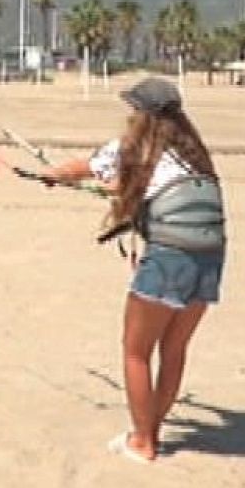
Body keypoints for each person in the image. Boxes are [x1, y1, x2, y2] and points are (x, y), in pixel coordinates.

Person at [39, 76, 226, 464]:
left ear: (141, 114)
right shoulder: (196, 155)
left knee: (135, 352)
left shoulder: (133, 148)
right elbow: (133, 186)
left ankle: (143, 442)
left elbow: (83, 167)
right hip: (211, 254)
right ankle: (150, 431)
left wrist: (53, 175)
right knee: (173, 349)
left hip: (170, 255)